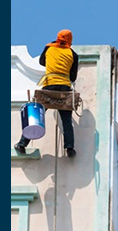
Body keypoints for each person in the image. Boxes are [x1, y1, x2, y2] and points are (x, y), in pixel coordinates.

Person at [14, 29, 78, 157]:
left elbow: (42, 62)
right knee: (66, 120)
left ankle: (22, 144)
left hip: (49, 85)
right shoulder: (73, 54)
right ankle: (69, 148)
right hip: (65, 88)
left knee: (37, 114)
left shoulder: (49, 48)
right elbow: (73, 77)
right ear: (70, 41)